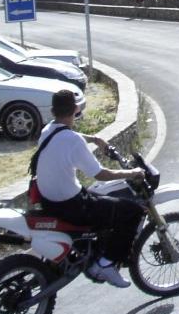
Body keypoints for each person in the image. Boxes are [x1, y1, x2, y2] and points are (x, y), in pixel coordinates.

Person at [35, 89, 146, 288]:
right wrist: (133, 173)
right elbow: (100, 174)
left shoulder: (48, 130)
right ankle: (106, 264)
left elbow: (67, 133)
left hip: (48, 201)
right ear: (76, 110)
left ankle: (91, 251)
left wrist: (94, 139)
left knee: (100, 200)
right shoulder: (73, 141)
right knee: (133, 211)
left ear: (53, 111)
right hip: (72, 205)